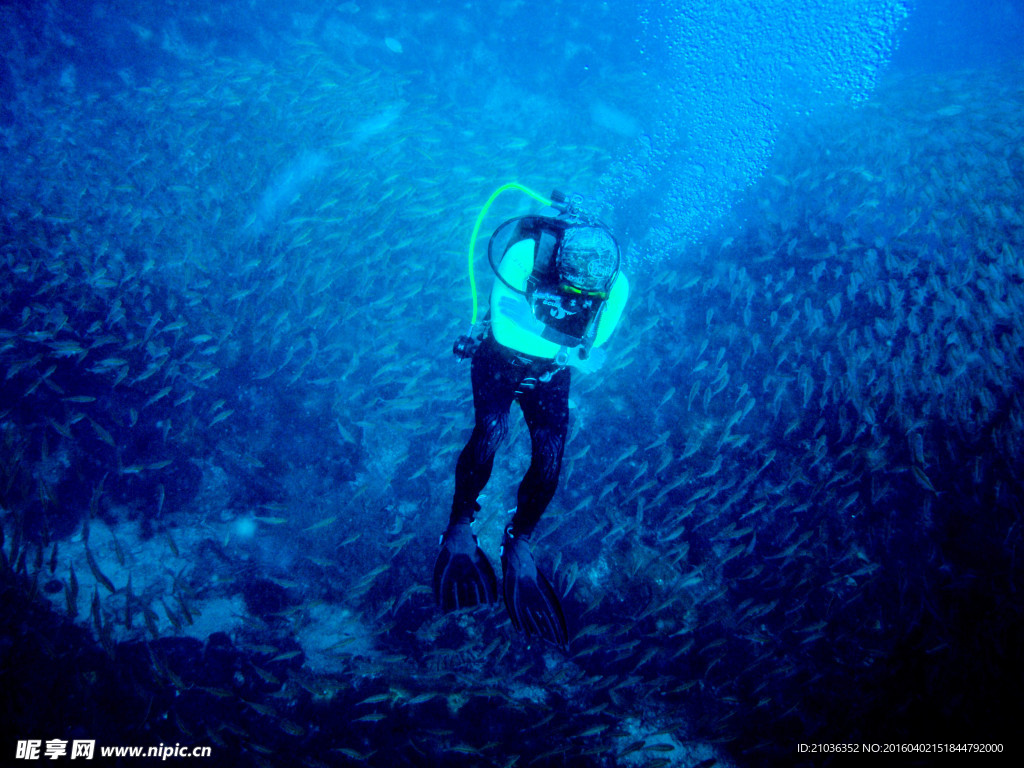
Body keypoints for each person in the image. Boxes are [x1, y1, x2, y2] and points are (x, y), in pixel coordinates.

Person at [433, 197, 629, 649]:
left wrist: (561, 345)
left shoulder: (617, 282)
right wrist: (569, 349)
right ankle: (460, 527)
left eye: (587, 299)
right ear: (558, 265)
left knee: (551, 455)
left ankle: (518, 541)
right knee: (492, 432)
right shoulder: (528, 254)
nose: (577, 303)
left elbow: (597, 343)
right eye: (571, 293)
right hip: (499, 359)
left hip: (549, 374)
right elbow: (506, 330)